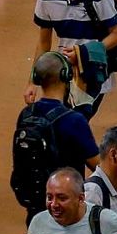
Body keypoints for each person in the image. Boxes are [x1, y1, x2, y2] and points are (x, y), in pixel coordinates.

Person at [32, 0, 117, 113]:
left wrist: (83, 53)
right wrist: (32, 81)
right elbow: (43, 43)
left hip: (94, 72)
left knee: (74, 123)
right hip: (64, 72)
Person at [14, 52, 102, 220]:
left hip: (36, 204)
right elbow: (98, 165)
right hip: (66, 208)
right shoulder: (74, 120)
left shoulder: (26, 114)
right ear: (66, 76)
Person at [26, 169, 117, 234]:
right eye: (49, 197)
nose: (54, 204)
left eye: (62, 198)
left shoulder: (106, 220)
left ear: (81, 198)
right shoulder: (38, 222)